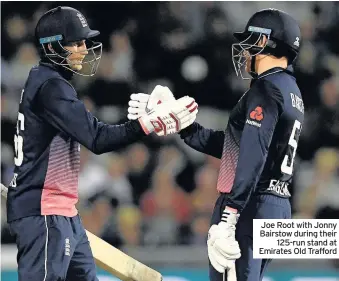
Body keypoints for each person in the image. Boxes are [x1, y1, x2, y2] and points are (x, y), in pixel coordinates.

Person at [6, 6, 198, 281]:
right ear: (53, 46)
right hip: (44, 212)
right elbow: (96, 139)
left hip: (61, 211)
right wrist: (147, 123)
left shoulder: (46, 82)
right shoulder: (51, 87)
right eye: (76, 42)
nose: (84, 49)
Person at [128, 8, 304, 281]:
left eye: (250, 43)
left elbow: (252, 153)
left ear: (265, 43)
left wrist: (230, 214)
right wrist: (184, 126)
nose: (245, 51)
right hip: (277, 204)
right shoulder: (291, 90)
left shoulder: (264, 88)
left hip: (249, 205)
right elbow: (240, 146)